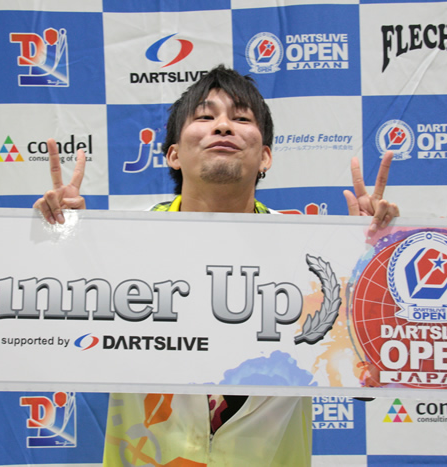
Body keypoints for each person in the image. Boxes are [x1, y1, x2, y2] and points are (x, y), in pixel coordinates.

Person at [34, 65, 399, 466]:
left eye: (241, 119)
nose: (223, 126)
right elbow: (58, 341)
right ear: (173, 154)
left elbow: (364, 376)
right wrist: (65, 241)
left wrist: (368, 258)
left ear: (265, 156)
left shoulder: (313, 253)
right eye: (206, 116)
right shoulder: (121, 241)